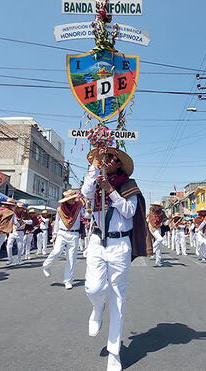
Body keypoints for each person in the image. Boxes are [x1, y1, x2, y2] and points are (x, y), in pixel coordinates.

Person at [80, 146, 151, 371]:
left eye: (111, 158)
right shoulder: (96, 180)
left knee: (118, 297)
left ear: (119, 163)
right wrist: (94, 166)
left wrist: (110, 190)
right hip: (97, 241)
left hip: (120, 243)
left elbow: (129, 212)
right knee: (93, 288)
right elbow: (85, 192)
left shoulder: (129, 186)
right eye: (105, 158)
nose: (107, 161)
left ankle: (114, 352)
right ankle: (97, 307)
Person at [43, 190, 85, 289]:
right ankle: (47, 265)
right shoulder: (60, 209)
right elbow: (57, 222)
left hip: (74, 234)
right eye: (69, 200)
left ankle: (68, 280)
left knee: (71, 258)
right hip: (62, 233)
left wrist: (86, 208)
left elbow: (86, 215)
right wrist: (54, 234)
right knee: (57, 251)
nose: (72, 201)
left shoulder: (79, 208)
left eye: (72, 199)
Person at [147, 202, 168, 267]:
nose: (155, 207)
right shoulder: (151, 212)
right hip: (152, 227)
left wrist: (167, 220)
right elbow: (151, 220)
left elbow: (165, 223)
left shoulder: (162, 213)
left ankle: (158, 261)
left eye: (157, 206)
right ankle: (152, 250)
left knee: (159, 246)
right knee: (160, 239)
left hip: (159, 227)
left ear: (159, 207)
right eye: (154, 205)